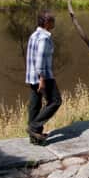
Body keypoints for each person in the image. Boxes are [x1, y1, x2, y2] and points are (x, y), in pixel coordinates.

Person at [25, 11, 62, 145]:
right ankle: (34, 127)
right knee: (55, 101)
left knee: (35, 104)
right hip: (43, 75)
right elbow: (40, 59)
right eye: (52, 20)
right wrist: (42, 79)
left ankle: (34, 137)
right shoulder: (44, 38)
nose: (54, 23)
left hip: (31, 75)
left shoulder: (34, 35)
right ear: (46, 23)